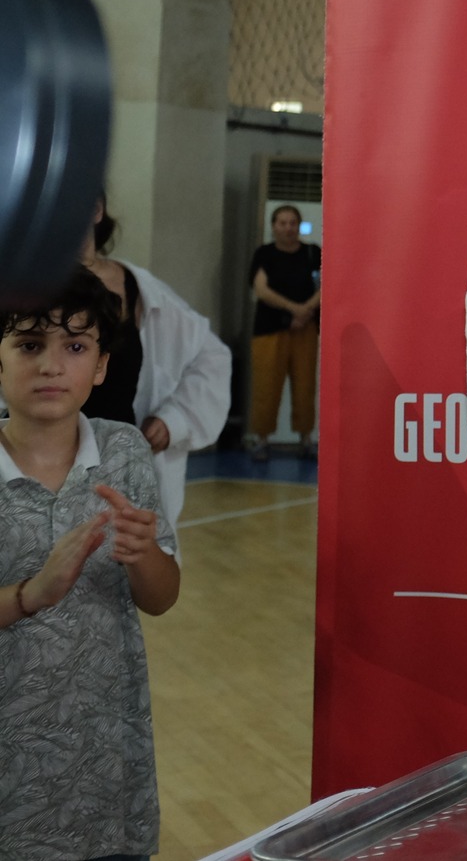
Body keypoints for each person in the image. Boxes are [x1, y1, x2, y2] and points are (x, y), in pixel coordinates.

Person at [0, 264, 181, 861]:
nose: (52, 365)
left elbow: (161, 598)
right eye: (29, 344)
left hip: (106, 762)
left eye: (75, 346)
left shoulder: (123, 450)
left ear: (101, 365)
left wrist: (143, 554)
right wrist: (31, 594)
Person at [80, 197, 231, 528]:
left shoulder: (140, 289)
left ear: (96, 209)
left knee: (134, 555)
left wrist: (175, 419)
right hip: (42, 470)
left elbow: (211, 356)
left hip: (125, 477)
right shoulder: (19, 290)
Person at [248, 204, 320, 462]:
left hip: (306, 329)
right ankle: (262, 440)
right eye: (282, 223)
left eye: (292, 223)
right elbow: (261, 290)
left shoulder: (313, 253)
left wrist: (306, 310)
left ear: (298, 226)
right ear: (273, 226)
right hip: (269, 330)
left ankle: (306, 439)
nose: (288, 228)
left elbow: (327, 284)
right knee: (266, 386)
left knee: (305, 386)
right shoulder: (264, 254)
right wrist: (294, 309)